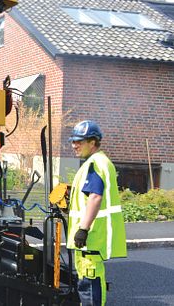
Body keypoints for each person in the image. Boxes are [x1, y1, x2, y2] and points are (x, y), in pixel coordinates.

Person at [67, 120, 127, 306]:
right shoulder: (98, 162)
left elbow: (95, 197)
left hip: (92, 236)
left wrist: (83, 229)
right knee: (87, 280)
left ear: (93, 142)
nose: (74, 145)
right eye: (73, 141)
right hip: (92, 237)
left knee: (90, 281)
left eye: (79, 141)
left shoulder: (95, 164)